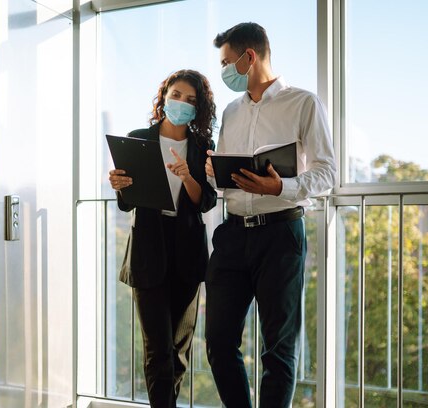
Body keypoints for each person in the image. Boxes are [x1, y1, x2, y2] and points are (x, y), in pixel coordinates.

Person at [204, 23, 337, 408]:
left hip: (280, 234)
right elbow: (226, 182)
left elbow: (327, 172)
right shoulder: (230, 112)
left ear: (250, 57)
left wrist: (280, 188)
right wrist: (216, 174)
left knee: (278, 347)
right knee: (218, 341)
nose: (225, 70)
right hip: (232, 236)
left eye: (228, 62)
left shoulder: (303, 103)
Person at [108, 69, 217, 408]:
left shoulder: (202, 147)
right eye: (176, 95)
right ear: (164, 96)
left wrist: (187, 177)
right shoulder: (138, 138)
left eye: (190, 100)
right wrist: (118, 185)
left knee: (178, 352)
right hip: (149, 251)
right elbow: (126, 203)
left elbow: (206, 201)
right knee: (158, 351)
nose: (181, 103)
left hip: (186, 251)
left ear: (198, 109)